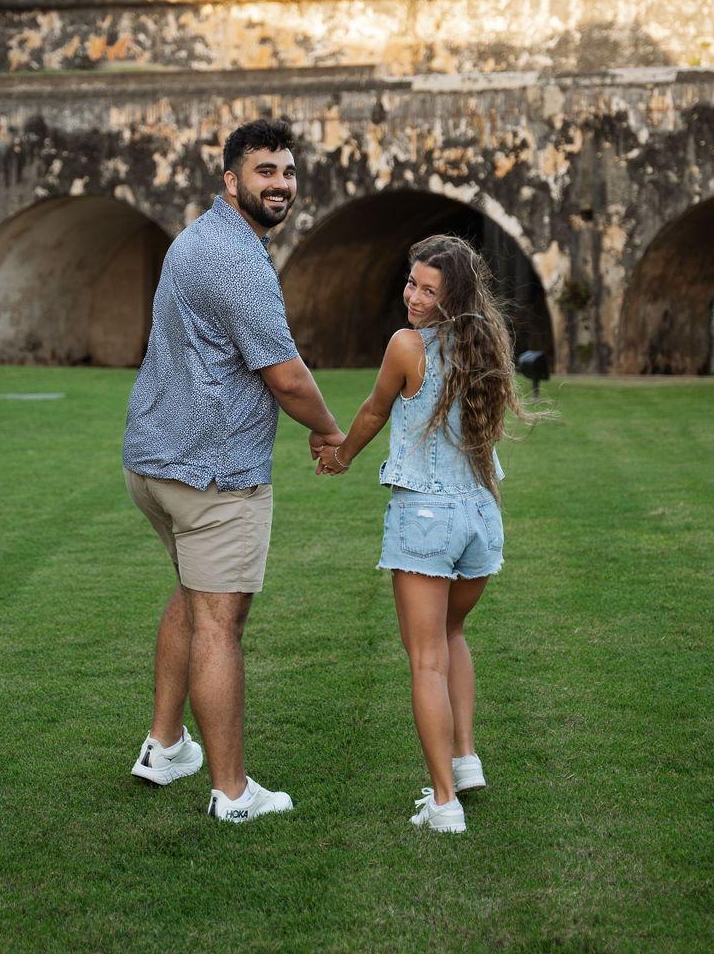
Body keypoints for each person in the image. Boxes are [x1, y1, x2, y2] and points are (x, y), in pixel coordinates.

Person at [122, 119, 346, 823]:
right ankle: (233, 792)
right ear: (231, 181)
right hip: (215, 474)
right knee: (221, 623)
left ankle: (165, 746)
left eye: (287, 172)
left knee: (194, 597)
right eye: (264, 172)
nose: (280, 184)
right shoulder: (239, 261)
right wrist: (330, 431)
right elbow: (286, 376)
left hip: (155, 464)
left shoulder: (195, 238)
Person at [316, 234, 531, 834]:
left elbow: (374, 409)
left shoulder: (406, 346)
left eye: (428, 290)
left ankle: (443, 803)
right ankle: (465, 759)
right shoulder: (487, 345)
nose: (412, 297)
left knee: (426, 661)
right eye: (411, 283)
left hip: (426, 519)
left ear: (452, 296)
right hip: (482, 516)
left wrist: (340, 457)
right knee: (452, 634)